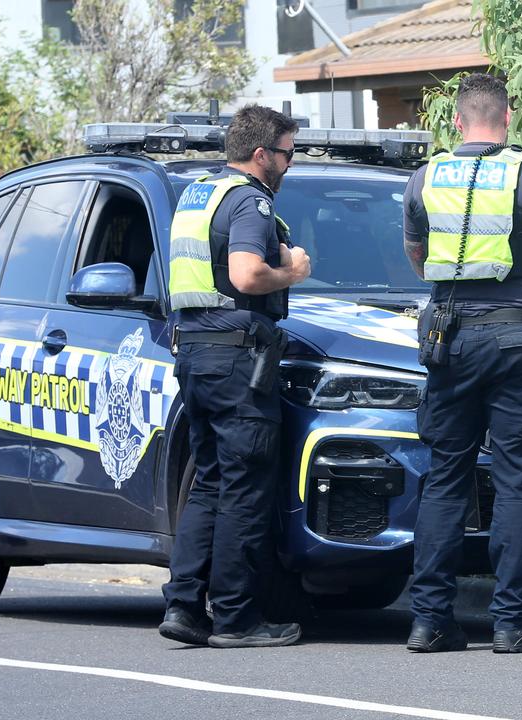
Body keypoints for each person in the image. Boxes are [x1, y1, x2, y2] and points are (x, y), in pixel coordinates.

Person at [402, 72, 522, 654]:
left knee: (444, 481)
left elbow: (417, 259)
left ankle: (429, 620)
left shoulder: (425, 177)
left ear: (457, 121)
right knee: (515, 483)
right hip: (514, 341)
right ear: (507, 118)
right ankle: (512, 624)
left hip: (447, 341)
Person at [159, 104, 312, 648]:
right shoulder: (250, 201)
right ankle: (237, 619)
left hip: (196, 356)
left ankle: (183, 606)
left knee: (210, 482)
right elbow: (246, 275)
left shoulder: (198, 196)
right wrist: (292, 270)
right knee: (246, 488)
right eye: (288, 154)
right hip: (238, 362)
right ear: (260, 154)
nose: (290, 164)